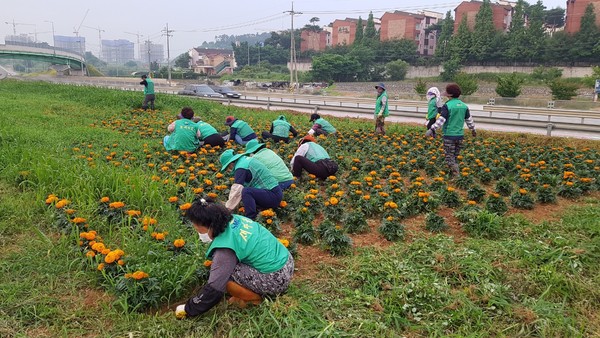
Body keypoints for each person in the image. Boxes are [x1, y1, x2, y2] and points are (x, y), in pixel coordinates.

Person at [174, 197, 294, 318]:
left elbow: (214, 288)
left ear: (210, 225)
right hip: (286, 261)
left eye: (197, 228)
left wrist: (189, 309)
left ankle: (254, 299)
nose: (197, 231)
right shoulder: (236, 219)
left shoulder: (226, 248)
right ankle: (245, 291)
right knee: (225, 266)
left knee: (224, 278)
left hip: (275, 278)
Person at [426, 83, 476, 176]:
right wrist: (473, 130)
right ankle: (453, 174)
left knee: (449, 157)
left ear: (449, 95)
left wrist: (432, 128)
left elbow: (441, 119)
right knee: (455, 156)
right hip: (460, 136)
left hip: (449, 136)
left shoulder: (447, 106)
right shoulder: (464, 106)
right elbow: (469, 120)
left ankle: (456, 175)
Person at [220, 149, 283, 220]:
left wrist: (227, 209)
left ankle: (250, 219)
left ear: (231, 163)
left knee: (246, 191)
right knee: (245, 193)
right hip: (275, 193)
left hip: (272, 196)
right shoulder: (245, 160)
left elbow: (237, 189)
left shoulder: (241, 167)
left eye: (228, 167)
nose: (228, 170)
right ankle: (258, 209)